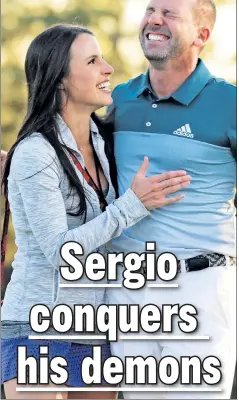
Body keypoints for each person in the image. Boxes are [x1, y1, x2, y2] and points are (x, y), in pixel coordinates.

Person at [1, 24, 191, 400]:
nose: (108, 68)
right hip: (37, 325)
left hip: (93, 325)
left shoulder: (105, 142)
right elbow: (61, 253)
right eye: (92, 60)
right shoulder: (37, 152)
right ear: (60, 81)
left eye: (102, 57)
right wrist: (132, 206)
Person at [107, 0, 236, 398]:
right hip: (126, 288)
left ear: (202, 33)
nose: (154, 19)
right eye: (149, 10)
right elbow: (69, 151)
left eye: (168, 13)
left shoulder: (229, 103)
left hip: (198, 285)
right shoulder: (118, 99)